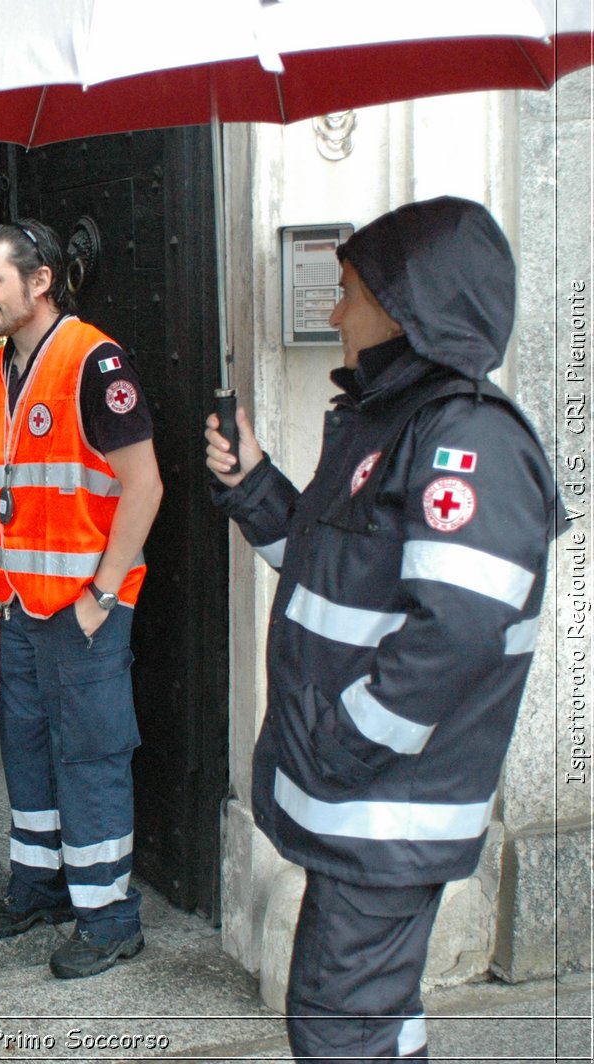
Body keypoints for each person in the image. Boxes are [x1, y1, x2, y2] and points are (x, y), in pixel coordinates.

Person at [203, 197, 564, 1061]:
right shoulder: (392, 421)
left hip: (388, 802)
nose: (334, 314)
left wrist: (348, 736)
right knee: (367, 1021)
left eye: (350, 294)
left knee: (340, 1025)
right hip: (366, 797)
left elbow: (460, 632)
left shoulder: (464, 438)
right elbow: (330, 570)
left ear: (410, 311)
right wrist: (253, 482)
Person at [0, 219, 163, 979]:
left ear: (39, 280)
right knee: (32, 752)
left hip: (83, 611)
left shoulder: (92, 360)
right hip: (18, 605)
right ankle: (42, 886)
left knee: (90, 757)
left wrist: (103, 596)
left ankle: (111, 919)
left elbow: (144, 486)